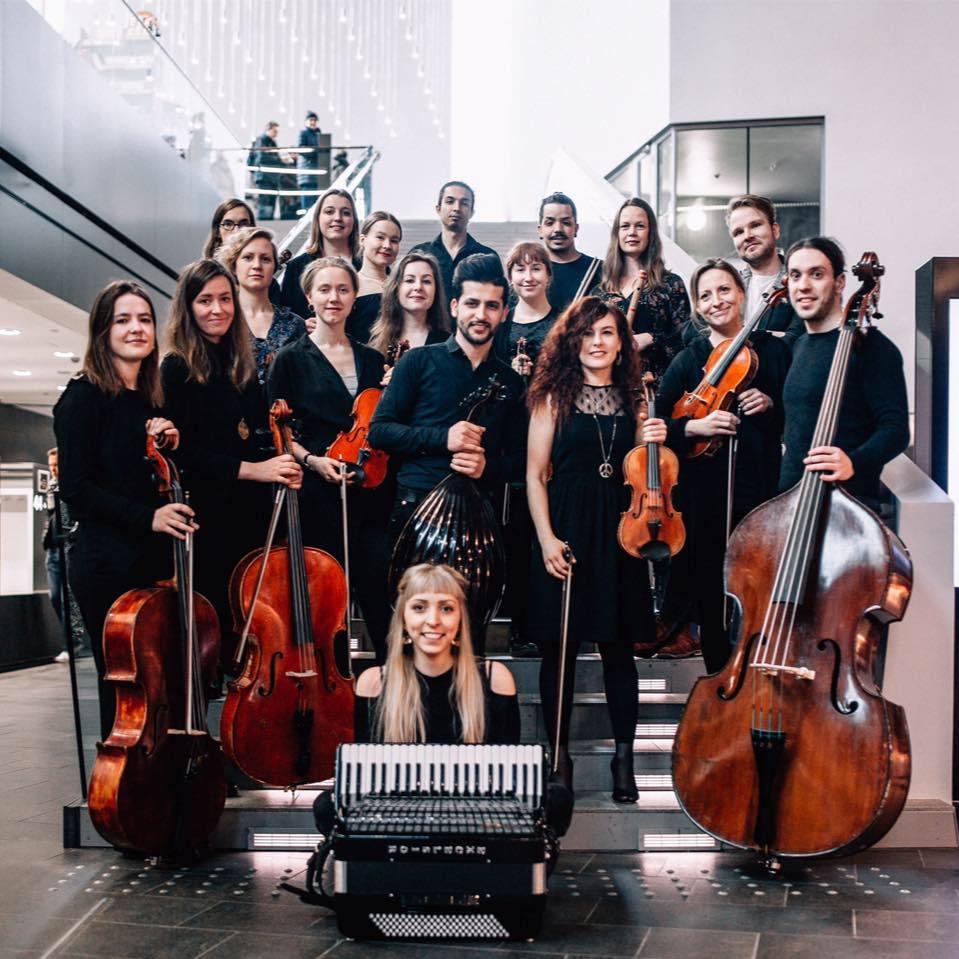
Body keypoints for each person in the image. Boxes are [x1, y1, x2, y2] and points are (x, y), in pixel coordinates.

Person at [526, 296, 655, 802]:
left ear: (622, 343)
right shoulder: (552, 396)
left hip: (621, 532)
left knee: (619, 650)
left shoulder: (636, 398)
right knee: (559, 649)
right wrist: (546, 539)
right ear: (572, 341)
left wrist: (656, 439)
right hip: (567, 527)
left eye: (607, 333)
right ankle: (559, 758)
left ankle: (625, 761)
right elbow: (535, 476)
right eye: (587, 333)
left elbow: (652, 475)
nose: (597, 342)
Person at [368, 254, 527, 651]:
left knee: (467, 639)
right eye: (472, 304)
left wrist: (489, 466)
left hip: (477, 521)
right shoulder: (420, 362)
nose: (481, 314)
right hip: (414, 511)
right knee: (412, 637)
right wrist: (444, 439)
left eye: (492, 306)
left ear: (504, 312)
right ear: (455, 306)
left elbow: (522, 460)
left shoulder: (508, 380)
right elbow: (380, 431)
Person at [54, 280, 188, 737]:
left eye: (145, 319)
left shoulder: (151, 399)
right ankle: (123, 790)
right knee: (123, 684)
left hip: (151, 559)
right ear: (102, 332)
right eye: (123, 320)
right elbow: (76, 488)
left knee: (158, 678)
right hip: (106, 561)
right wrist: (149, 517)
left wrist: (169, 441)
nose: (137, 329)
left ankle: (163, 773)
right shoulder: (82, 398)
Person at [647, 259, 790, 673]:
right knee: (712, 601)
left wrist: (770, 404)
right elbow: (656, 425)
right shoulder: (691, 358)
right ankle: (718, 685)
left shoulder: (773, 350)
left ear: (742, 294)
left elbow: (797, 417)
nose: (715, 301)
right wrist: (695, 426)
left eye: (724, 290)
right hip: (703, 499)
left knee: (757, 596)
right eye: (705, 295)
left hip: (758, 494)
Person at [161, 259, 302, 666]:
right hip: (209, 516)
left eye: (225, 299)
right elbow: (184, 454)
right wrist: (256, 470)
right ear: (187, 308)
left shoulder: (240, 365)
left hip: (248, 513)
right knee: (216, 633)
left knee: (251, 626)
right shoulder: (176, 369)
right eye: (205, 301)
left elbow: (254, 435)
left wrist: (281, 460)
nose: (217, 309)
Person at [267, 257, 393, 662]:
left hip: (369, 492)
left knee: (379, 598)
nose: (334, 297)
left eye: (343, 289)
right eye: (324, 289)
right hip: (318, 495)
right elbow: (279, 432)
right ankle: (335, 699)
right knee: (327, 603)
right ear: (309, 297)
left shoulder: (372, 359)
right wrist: (312, 461)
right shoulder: (289, 358)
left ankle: (394, 703)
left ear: (355, 297)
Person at [779, 237, 909, 510]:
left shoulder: (871, 346)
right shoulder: (798, 345)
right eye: (795, 275)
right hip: (789, 504)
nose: (803, 286)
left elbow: (896, 430)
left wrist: (853, 460)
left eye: (816, 274)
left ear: (839, 282)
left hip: (847, 508)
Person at [355, 562, 519, 743]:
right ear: (402, 620)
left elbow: (510, 767)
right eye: (419, 607)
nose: (433, 620)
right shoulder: (372, 683)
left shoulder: (495, 680)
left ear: (460, 622)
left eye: (446, 608)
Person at [492, 241, 558, 656]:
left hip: (553, 439)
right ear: (511, 278)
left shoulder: (562, 324)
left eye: (536, 268)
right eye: (519, 269)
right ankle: (520, 625)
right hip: (512, 441)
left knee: (548, 532)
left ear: (548, 276)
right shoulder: (501, 327)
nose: (528, 276)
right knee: (516, 536)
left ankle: (551, 619)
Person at [682, 194, 804, 347]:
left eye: (755, 225)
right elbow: (689, 335)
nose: (747, 236)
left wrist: (734, 334)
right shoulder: (729, 286)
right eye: (738, 232)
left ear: (775, 230)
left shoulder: (800, 283)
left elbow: (797, 339)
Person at [594, 197, 690, 378]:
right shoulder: (600, 293)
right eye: (625, 226)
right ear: (617, 234)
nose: (632, 232)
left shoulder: (671, 284)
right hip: (612, 390)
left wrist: (651, 339)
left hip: (658, 391)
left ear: (650, 233)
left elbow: (686, 344)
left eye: (640, 226)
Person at [216, 226, 308, 384]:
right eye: (248, 257)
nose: (257, 265)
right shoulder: (220, 320)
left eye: (265, 259)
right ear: (233, 266)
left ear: (274, 267)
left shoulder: (295, 325)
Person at [410, 181, 499, 302]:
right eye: (450, 201)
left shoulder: (488, 257)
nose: (457, 208)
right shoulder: (419, 253)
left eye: (464, 203)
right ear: (438, 209)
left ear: (472, 212)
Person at [280, 188, 359, 319]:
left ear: (354, 221)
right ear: (318, 219)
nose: (338, 218)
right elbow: (286, 316)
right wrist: (300, 326)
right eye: (329, 212)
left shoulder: (367, 265)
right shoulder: (296, 267)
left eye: (345, 213)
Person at [367, 250, 451, 358]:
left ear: (436, 290)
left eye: (426, 281)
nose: (418, 287)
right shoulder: (375, 343)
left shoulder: (447, 345)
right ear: (396, 288)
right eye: (410, 280)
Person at [537, 192, 602, 314]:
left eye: (566, 222)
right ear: (540, 230)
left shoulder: (600, 269)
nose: (558, 229)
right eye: (550, 223)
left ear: (576, 228)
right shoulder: (529, 274)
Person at [349, 211, 403, 344]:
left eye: (394, 240)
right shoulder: (349, 285)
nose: (387, 245)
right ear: (362, 240)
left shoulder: (403, 286)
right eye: (380, 237)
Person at [249, 121, 281, 221]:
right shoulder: (262, 140)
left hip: (270, 177)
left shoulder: (271, 142)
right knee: (265, 204)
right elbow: (261, 157)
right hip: (264, 177)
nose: (276, 134)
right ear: (269, 129)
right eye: (275, 131)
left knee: (270, 203)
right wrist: (279, 160)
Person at [296, 111, 322, 197]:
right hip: (307, 172)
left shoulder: (319, 134)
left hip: (317, 171)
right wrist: (316, 152)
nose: (313, 122)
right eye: (311, 120)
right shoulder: (303, 133)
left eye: (315, 120)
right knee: (308, 199)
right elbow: (301, 149)